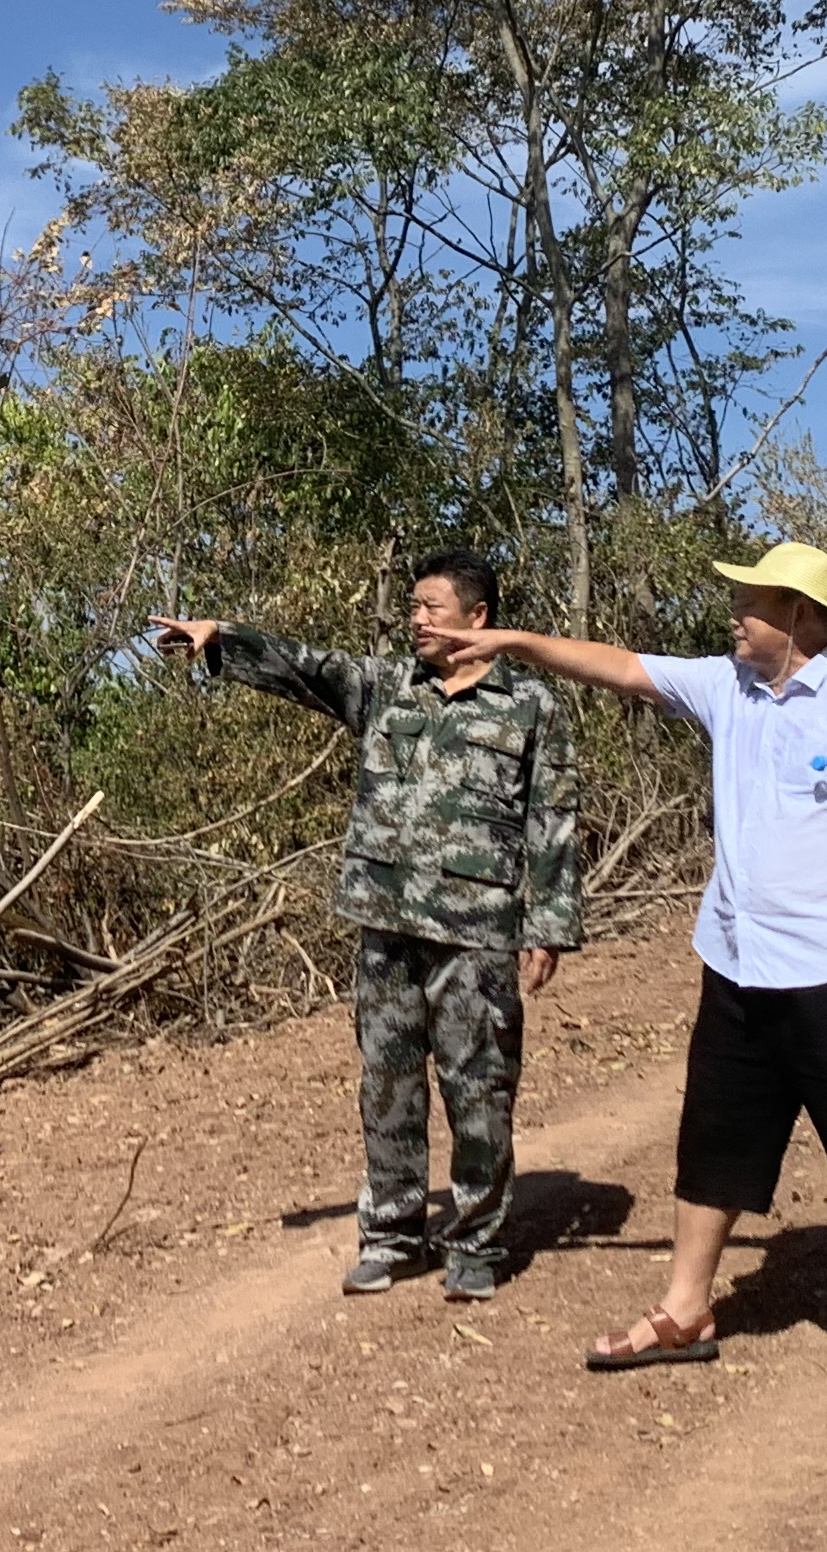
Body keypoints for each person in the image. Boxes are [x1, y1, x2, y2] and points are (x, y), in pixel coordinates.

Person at [479, 541, 827, 1395]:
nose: (735, 614)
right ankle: (686, 1309)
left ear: (802, 617)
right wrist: (511, 641)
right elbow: (617, 668)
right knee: (713, 1144)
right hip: (737, 966)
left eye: (754, 601)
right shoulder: (724, 688)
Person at [149, 554, 583, 1299]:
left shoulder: (531, 707)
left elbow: (552, 822)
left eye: (431, 607)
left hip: (477, 934)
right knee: (387, 1084)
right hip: (384, 920)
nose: (416, 618)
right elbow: (308, 668)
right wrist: (222, 637)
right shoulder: (388, 687)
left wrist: (548, 925)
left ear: (478, 616)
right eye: (412, 606)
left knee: (478, 1086)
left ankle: (476, 1240)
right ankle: (392, 1234)